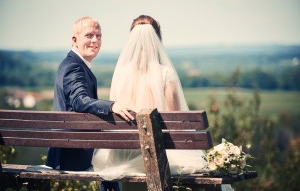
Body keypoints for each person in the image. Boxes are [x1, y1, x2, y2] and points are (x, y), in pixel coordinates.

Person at [92, 15, 233, 191]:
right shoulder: (165, 75)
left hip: (124, 157)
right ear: (157, 39)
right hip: (160, 157)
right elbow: (177, 125)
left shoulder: (121, 75)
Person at [46, 16, 134, 191]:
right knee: (120, 158)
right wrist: (111, 106)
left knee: (115, 155)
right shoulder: (74, 67)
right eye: (89, 35)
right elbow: (79, 101)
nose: (95, 40)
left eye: (99, 36)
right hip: (73, 153)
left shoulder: (73, 63)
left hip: (73, 148)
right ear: (74, 40)